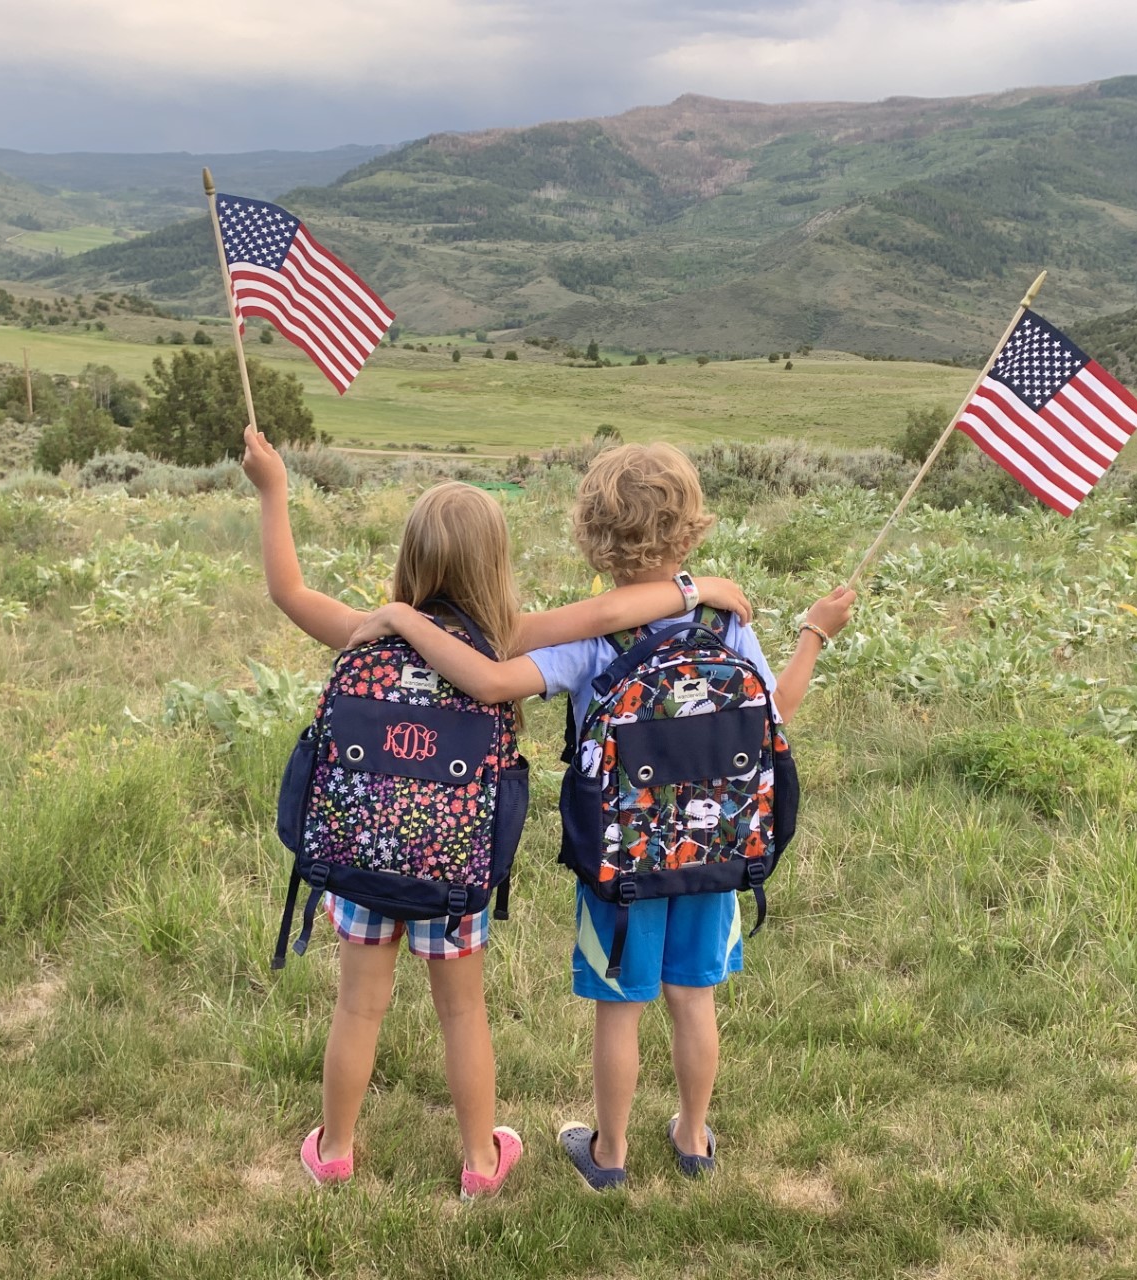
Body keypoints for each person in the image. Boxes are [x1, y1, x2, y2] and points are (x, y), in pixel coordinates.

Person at [241, 427, 755, 1200]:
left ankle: (336, 1150)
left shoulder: (370, 633)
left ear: (412, 558)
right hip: (457, 869)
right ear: (496, 564)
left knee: (356, 1006)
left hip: (363, 859)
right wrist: (696, 590)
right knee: (463, 1014)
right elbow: (613, 611)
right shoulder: (500, 636)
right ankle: (481, 1161)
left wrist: (275, 489)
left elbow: (287, 592)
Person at [346, 442, 856, 1190]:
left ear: (592, 534)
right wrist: (812, 632)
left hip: (617, 862)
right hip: (713, 852)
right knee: (694, 997)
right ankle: (691, 1138)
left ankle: (609, 1154)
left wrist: (400, 619)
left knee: (619, 1009)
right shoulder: (722, 621)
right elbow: (775, 709)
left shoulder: (589, 639)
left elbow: (490, 681)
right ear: (691, 532)